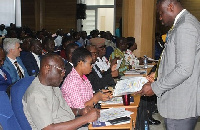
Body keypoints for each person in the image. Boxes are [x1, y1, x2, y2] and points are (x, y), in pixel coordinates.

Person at [136, 0, 200, 129]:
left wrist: (155, 87)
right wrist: (158, 74)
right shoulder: (181, 24)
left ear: (170, 7)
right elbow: (174, 60)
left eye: (161, 13)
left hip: (181, 105)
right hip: (179, 101)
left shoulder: (185, 26)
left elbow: (184, 69)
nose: (160, 18)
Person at [22, 53, 100, 130]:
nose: (64, 73)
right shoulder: (36, 95)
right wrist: (85, 119)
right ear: (47, 68)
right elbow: (49, 128)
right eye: (61, 70)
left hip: (71, 123)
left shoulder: (53, 85)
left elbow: (63, 109)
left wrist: (79, 111)